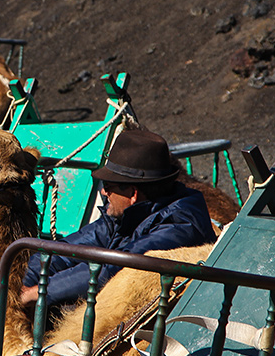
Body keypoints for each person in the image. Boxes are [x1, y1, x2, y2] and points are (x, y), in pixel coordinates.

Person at [21, 128, 216, 308]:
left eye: (108, 185)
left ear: (132, 193)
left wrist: (39, 292)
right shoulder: (123, 216)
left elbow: (114, 268)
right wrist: (20, 285)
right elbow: (64, 252)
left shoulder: (179, 226)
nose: (104, 192)